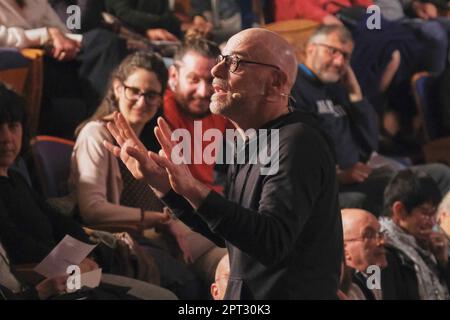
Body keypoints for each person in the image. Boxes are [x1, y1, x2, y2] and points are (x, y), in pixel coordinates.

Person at [104, 28, 343, 299]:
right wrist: (164, 186)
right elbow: (230, 235)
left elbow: (271, 242)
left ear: (276, 82)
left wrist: (192, 188)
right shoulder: (247, 141)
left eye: (235, 62)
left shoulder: (298, 141)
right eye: (221, 58)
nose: (216, 71)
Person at [0, 82, 177, 300]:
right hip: (41, 281)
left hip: (70, 270)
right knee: (163, 295)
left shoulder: (15, 178)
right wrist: (68, 262)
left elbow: (57, 220)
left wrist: (83, 252)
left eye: (13, 126)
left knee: (164, 289)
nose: (7, 137)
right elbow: (15, 242)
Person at [71, 51, 206, 299]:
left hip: (157, 234)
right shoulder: (96, 134)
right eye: (135, 91)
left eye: (151, 95)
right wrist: (157, 218)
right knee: (189, 285)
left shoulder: (148, 138)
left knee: (234, 251)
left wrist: (171, 221)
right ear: (117, 88)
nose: (142, 101)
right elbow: (92, 209)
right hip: (121, 241)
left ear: (160, 99)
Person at [292, 24, 450, 215]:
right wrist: (338, 176)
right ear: (311, 48)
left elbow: (369, 144)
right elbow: (297, 152)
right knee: (370, 199)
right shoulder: (294, 87)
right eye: (333, 52)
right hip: (332, 184)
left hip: (362, 174)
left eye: (346, 56)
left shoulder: (338, 88)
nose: (339, 62)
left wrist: (355, 92)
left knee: (440, 174)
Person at [0, 0, 129, 137]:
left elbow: (60, 30)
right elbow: (3, 37)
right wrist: (45, 35)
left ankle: (113, 119)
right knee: (104, 43)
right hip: (27, 64)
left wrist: (65, 44)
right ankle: (102, 125)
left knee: (107, 43)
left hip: (54, 53)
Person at [164, 34, 232, 192]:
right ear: (174, 76)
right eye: (193, 79)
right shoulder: (157, 110)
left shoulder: (219, 103)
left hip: (209, 196)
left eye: (210, 81)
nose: (203, 92)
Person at [380, 170, 450, 299]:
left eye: (434, 214)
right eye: (425, 213)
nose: (432, 222)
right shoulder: (383, 250)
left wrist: (443, 261)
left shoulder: (428, 245)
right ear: (399, 210)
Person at [341, 208, 387, 299]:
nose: (382, 242)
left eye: (380, 234)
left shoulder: (373, 274)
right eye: (369, 235)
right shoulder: (346, 290)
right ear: (344, 250)